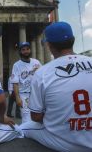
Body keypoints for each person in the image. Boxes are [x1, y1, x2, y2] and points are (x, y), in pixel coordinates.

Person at [20, 22, 92, 152]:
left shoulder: (42, 73)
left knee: (23, 128)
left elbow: (35, 117)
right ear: (73, 40)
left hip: (66, 142)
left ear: (49, 45)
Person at [10, 42, 41, 123]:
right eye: (23, 50)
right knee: (26, 116)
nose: (26, 51)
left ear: (30, 50)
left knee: (38, 113)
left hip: (36, 93)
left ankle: (35, 133)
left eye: (27, 49)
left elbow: (42, 77)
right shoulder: (16, 65)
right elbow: (15, 82)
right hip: (24, 94)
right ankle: (26, 134)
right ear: (20, 52)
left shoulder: (36, 62)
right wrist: (17, 97)